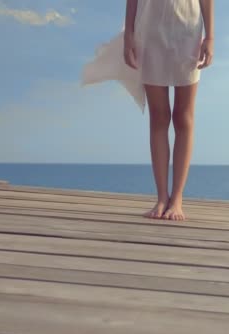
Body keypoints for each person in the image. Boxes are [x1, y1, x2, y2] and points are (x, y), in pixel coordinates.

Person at [83, 0, 214, 221]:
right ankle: (162, 197)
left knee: (184, 118)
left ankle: (177, 199)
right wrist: (128, 36)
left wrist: (210, 36)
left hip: (188, 31)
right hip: (151, 31)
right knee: (159, 117)